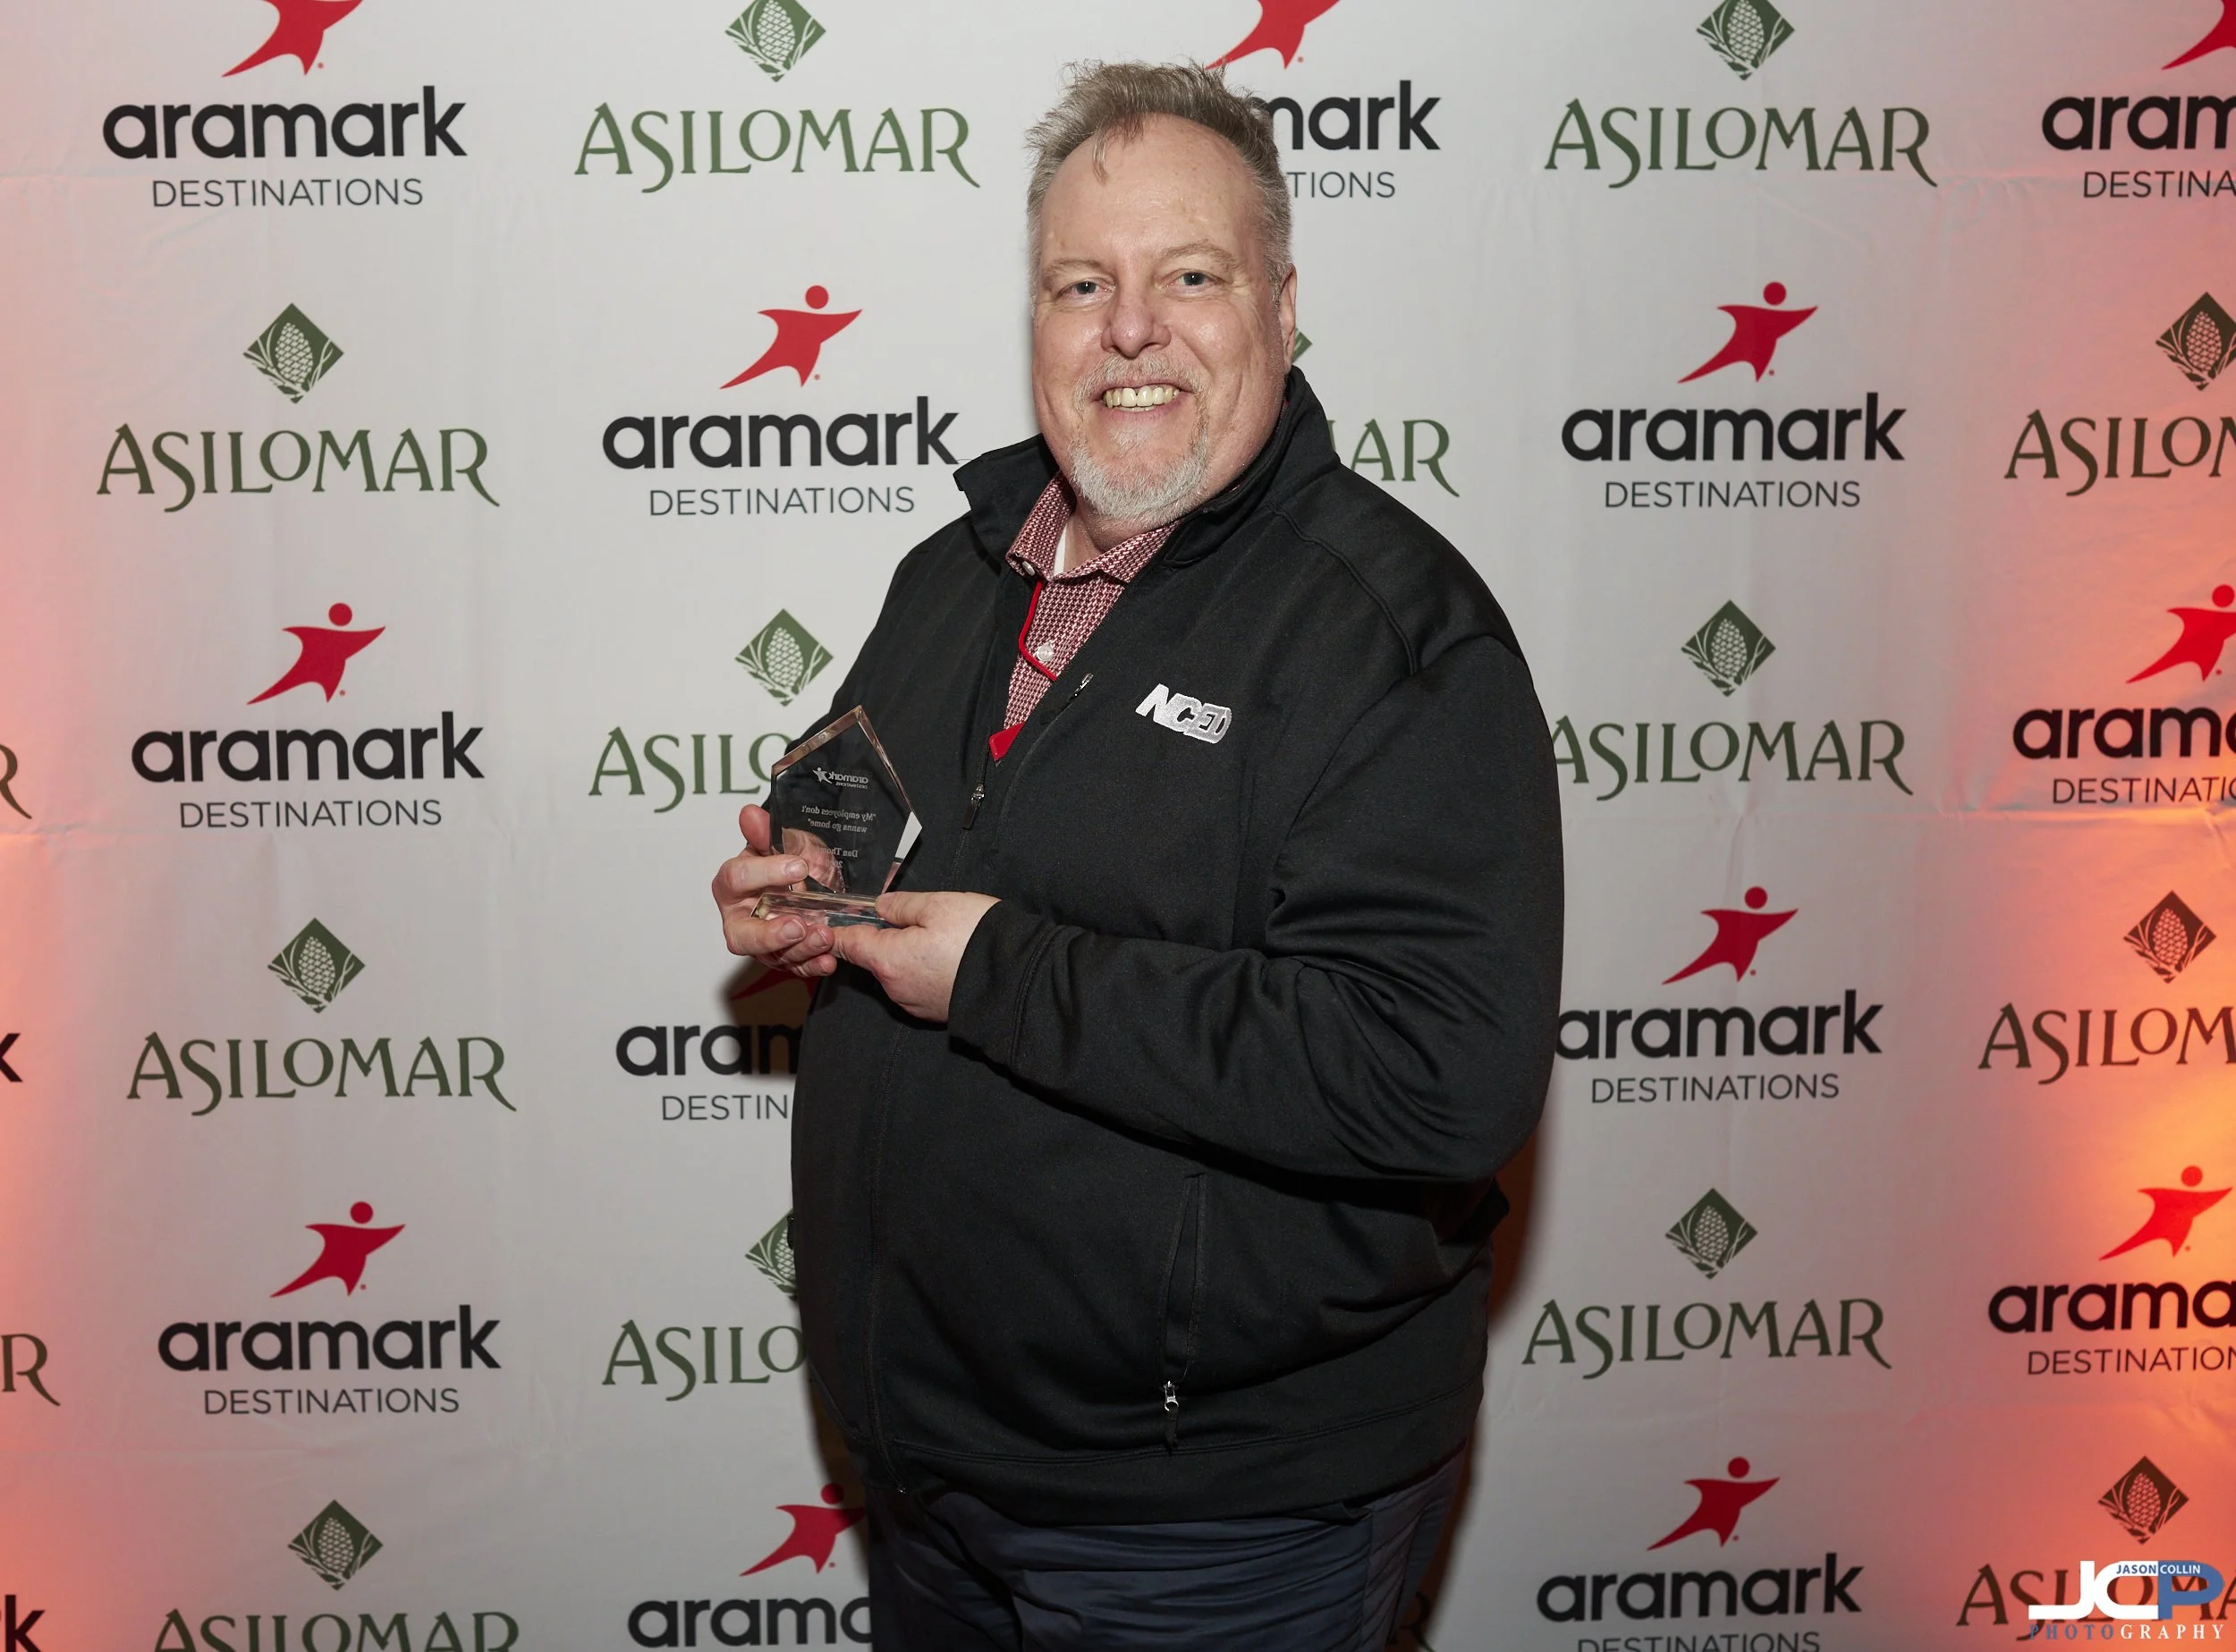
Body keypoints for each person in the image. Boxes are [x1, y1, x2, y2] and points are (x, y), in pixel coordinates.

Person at [712, 61, 1562, 1651]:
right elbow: (916, 844)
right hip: (933, 1465)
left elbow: (1437, 1073)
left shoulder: (1391, 634)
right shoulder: (951, 574)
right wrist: (808, 895)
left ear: (1282, 308)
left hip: (1214, 1516)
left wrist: (998, 970)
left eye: (1190, 277)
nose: (1129, 329)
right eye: (1081, 284)